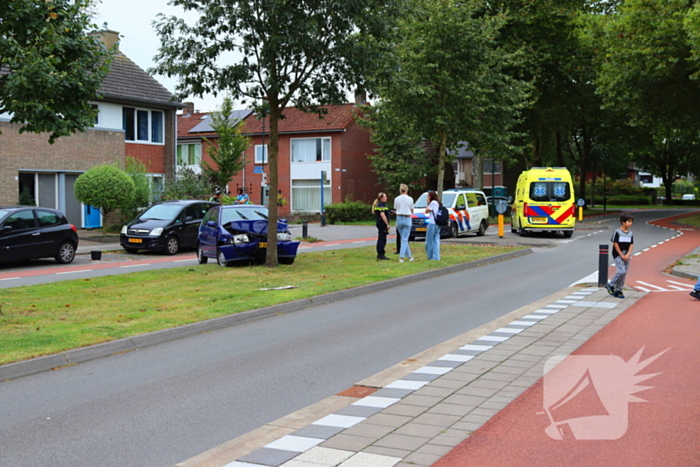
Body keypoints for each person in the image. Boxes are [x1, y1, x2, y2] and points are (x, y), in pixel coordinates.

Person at [606, 212, 634, 299]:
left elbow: (631, 244)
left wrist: (628, 254)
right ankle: (610, 284)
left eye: (631, 221)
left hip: (626, 254)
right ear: (623, 222)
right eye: (629, 221)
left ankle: (619, 290)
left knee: (624, 273)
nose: (631, 223)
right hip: (618, 254)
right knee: (621, 271)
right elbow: (615, 243)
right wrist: (621, 254)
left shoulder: (630, 233)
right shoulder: (617, 232)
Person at [393, 184, 414, 263]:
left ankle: (410, 256)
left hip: (399, 218)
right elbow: (412, 209)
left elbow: (396, 208)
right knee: (405, 239)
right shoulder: (410, 199)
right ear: (407, 190)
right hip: (407, 218)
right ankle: (401, 257)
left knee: (403, 238)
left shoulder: (396, 199)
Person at [372, 192, 391, 260]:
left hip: (380, 223)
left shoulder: (380, 204)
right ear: (381, 198)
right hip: (382, 223)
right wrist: (387, 224)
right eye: (385, 196)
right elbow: (382, 215)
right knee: (382, 239)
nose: (386, 198)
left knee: (381, 237)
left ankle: (380, 253)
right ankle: (381, 254)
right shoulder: (381, 205)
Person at [425, 190, 441, 261]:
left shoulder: (433, 203)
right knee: (436, 241)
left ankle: (430, 256)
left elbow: (426, 210)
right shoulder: (437, 203)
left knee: (429, 241)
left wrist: (428, 202)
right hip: (437, 224)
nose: (427, 197)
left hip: (432, 223)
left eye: (428, 196)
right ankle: (436, 257)